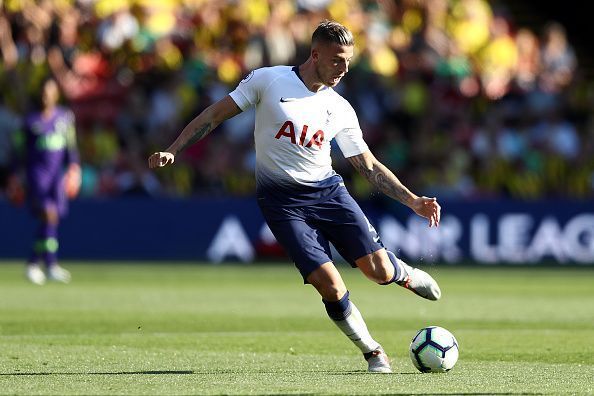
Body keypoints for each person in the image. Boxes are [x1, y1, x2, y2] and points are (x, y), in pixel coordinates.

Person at [148, 20, 441, 373]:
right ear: (315, 54)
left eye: (348, 61)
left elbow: (367, 165)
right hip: (281, 201)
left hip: (329, 193)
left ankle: (403, 274)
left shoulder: (340, 108)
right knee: (329, 284)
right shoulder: (268, 80)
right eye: (337, 60)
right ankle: (373, 351)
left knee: (378, 272)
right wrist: (174, 149)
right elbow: (214, 115)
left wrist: (412, 200)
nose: (344, 69)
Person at [7, 77, 81, 285]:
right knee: (48, 215)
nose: (45, 95)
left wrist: (74, 167)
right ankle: (45, 265)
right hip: (36, 176)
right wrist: (14, 176)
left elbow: (71, 146)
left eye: (49, 91)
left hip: (56, 177)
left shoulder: (65, 118)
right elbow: (18, 152)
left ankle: (39, 264)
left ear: (56, 93)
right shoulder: (29, 122)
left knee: (52, 218)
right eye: (42, 92)